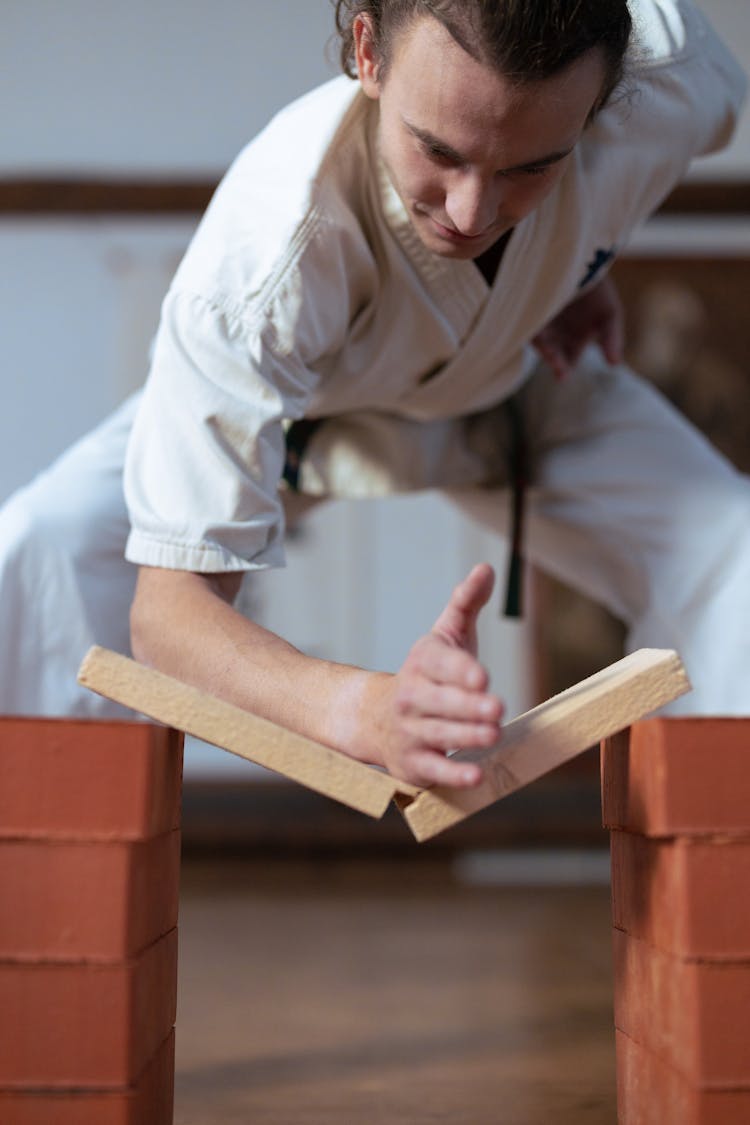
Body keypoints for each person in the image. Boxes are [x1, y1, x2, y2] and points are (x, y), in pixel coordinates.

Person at [0, 0, 747, 786]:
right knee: (32, 555)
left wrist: (578, 267)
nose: (471, 212)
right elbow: (169, 618)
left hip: (518, 383)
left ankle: (718, 875)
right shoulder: (263, 259)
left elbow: (623, 172)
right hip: (310, 418)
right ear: (368, 53)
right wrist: (362, 710)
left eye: (532, 167)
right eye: (438, 150)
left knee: (738, 557)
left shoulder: (671, 78)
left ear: (602, 104)